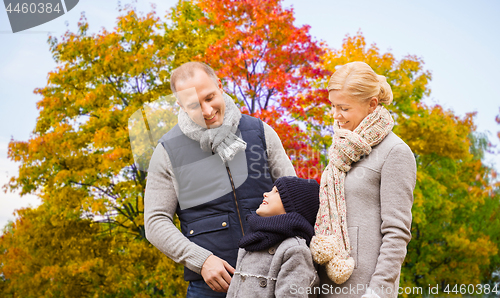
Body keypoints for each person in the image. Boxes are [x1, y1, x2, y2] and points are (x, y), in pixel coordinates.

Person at [144, 61, 296, 297]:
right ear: (180, 105)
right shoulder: (167, 152)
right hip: (211, 288)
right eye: (194, 105)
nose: (207, 111)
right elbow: (155, 222)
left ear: (220, 86)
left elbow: (293, 195)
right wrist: (202, 261)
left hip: (275, 277)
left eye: (209, 97)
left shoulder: (260, 131)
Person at [309, 61, 417, 298]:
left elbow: (397, 232)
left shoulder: (395, 152)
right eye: (334, 106)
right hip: (326, 284)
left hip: (363, 290)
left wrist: (378, 292)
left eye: (344, 108)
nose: (336, 115)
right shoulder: (342, 149)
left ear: (372, 105)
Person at [227, 176, 320, 297]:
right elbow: (233, 291)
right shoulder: (251, 241)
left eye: (277, 192)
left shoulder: (294, 249)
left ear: (292, 206)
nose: (266, 194)